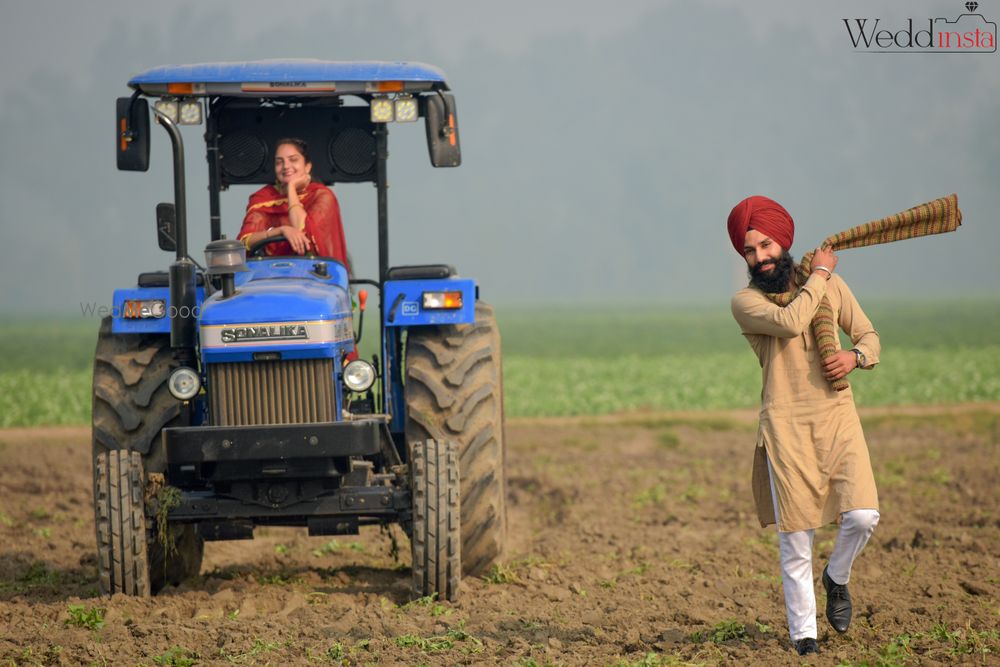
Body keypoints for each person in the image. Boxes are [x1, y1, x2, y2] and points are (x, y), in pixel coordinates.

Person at [727, 195, 881, 656]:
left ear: (783, 242)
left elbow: (870, 336)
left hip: (837, 416)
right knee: (796, 539)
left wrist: (854, 357)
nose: (759, 258)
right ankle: (804, 639)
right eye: (750, 251)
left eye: (766, 245)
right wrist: (821, 273)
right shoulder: (746, 302)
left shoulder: (829, 285)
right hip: (785, 426)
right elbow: (793, 321)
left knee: (863, 516)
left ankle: (836, 574)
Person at [237, 138, 349, 267]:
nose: (285, 166)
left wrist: (291, 188)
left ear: (307, 167)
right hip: (269, 276)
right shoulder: (263, 198)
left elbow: (304, 232)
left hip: (314, 276)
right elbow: (245, 242)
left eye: (293, 160)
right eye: (279, 162)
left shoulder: (322, 196)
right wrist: (281, 231)